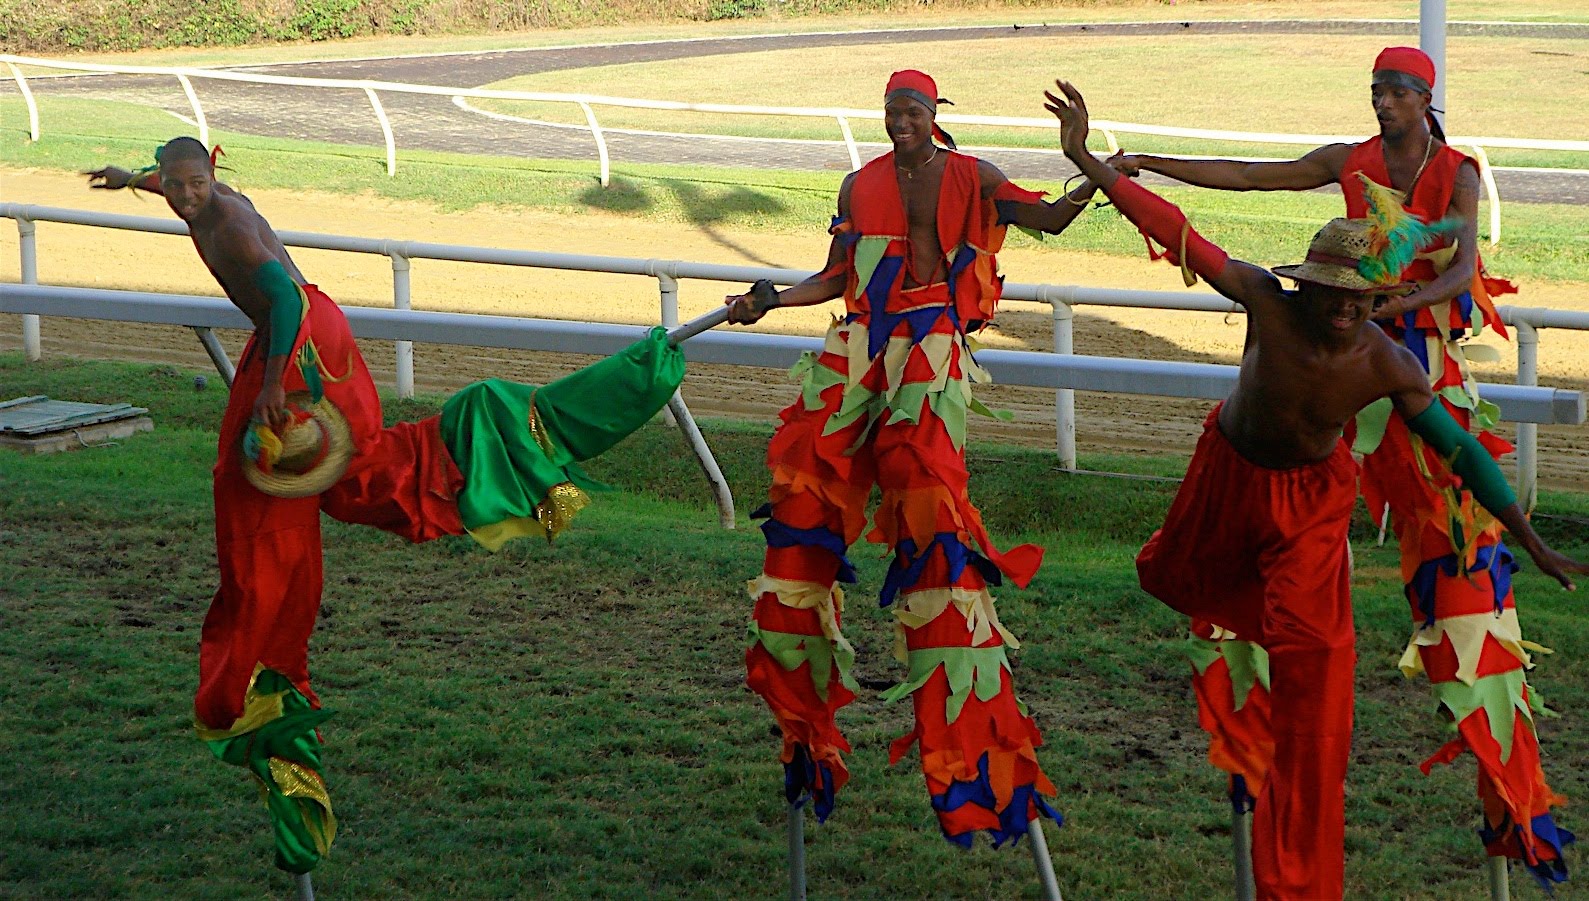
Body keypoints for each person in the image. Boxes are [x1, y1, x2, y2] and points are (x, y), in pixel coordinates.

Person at [1042, 79, 1586, 898]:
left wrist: (1527, 533)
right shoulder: (1266, 300)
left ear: (1376, 297)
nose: (1343, 310)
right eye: (1331, 293)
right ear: (1308, 284)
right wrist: (1088, 157)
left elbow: (1460, 453)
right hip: (1225, 479)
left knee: (1315, 688)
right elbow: (1177, 230)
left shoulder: (1387, 361)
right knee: (1186, 588)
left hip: (1308, 509)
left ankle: (1299, 873)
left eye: (1360, 297)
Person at [87, 139, 684, 874]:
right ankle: (480, 454)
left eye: (189, 185)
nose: (181, 196)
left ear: (210, 178)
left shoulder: (231, 224)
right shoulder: (197, 194)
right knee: (329, 482)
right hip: (296, 337)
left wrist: (275, 385)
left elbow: (278, 295)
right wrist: (128, 182)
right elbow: (179, 184)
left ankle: (270, 661)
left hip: (297, 343)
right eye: (171, 185)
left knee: (274, 488)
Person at [721, 69, 1099, 847]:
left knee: (929, 515)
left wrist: (1087, 166)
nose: (901, 121)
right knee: (801, 507)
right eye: (892, 110)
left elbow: (1051, 220)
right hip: (857, 351)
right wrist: (768, 300)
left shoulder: (972, 177)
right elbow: (833, 278)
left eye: (914, 110)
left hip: (928, 352)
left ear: (934, 115)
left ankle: (968, 743)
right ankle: (805, 727)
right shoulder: (859, 185)